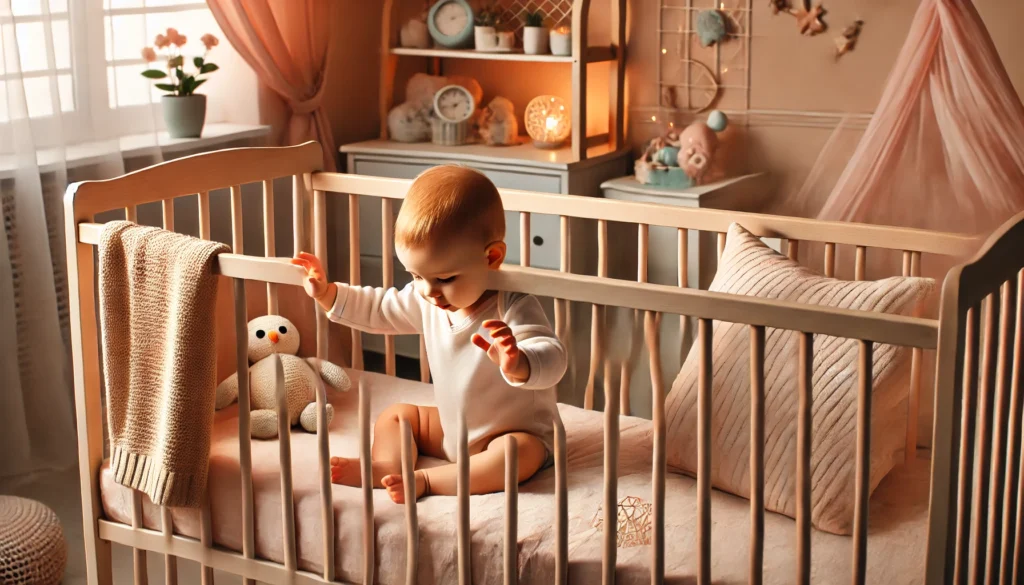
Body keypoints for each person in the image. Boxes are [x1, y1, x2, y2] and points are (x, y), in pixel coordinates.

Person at [291, 165, 567, 503]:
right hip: (454, 431)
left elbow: (553, 355)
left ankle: (426, 480)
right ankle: (385, 465)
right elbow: (379, 309)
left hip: (518, 434)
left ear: (492, 257)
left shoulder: (511, 304)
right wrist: (329, 294)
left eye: (446, 279)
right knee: (398, 415)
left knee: (513, 454)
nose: (429, 291)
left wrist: (520, 362)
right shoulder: (428, 299)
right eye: (417, 276)